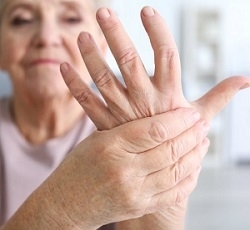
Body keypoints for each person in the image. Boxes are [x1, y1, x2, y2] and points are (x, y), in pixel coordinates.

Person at [0, 0, 249, 230]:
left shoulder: (135, 134)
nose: (47, 37)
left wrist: (155, 214)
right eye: (21, 20)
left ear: (102, 42)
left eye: (71, 19)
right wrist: (67, 207)